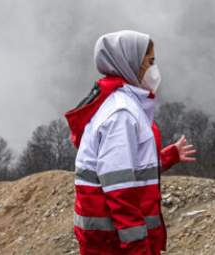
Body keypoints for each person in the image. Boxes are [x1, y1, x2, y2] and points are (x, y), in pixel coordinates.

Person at [65, 30, 197, 255]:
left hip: (106, 242)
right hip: (115, 245)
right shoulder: (122, 114)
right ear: (130, 63)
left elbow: (123, 166)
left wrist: (166, 157)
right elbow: (120, 188)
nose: (155, 69)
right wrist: (137, 247)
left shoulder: (117, 104)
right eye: (150, 61)